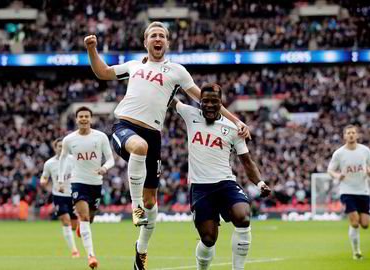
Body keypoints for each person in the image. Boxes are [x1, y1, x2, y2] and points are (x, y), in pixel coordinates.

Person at [84, 21, 250, 270]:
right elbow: (103, 72)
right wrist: (91, 49)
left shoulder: (177, 71)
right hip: (126, 127)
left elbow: (204, 99)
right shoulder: (133, 66)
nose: (157, 38)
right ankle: (134, 206)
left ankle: (141, 250)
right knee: (139, 149)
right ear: (146, 42)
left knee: (152, 202)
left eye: (162, 35)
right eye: (153, 35)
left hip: (154, 136)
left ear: (167, 43)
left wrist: (236, 121)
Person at [169, 83, 271, 270]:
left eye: (214, 101)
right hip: (200, 188)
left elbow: (247, 162)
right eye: (205, 101)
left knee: (243, 217)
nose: (209, 105)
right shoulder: (189, 114)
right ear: (199, 101)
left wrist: (260, 183)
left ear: (220, 103)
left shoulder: (233, 128)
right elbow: (168, 97)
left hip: (226, 184)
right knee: (208, 239)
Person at [58, 106, 115, 269]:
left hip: (96, 183)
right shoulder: (69, 140)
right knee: (83, 218)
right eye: (80, 116)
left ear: (91, 119)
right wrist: (61, 181)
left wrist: (105, 168)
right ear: (76, 119)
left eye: (86, 116)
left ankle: (82, 230)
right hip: (78, 182)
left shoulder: (101, 137)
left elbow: (111, 159)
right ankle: (91, 256)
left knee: (89, 219)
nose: (83, 119)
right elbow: (62, 159)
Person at [327, 125, 370, 260]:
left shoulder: (365, 150)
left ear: (357, 135)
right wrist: (337, 176)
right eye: (348, 133)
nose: (351, 135)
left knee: (364, 224)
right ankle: (356, 252)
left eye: (353, 133)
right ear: (344, 136)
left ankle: (356, 244)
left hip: (363, 191)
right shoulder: (339, 153)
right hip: (347, 191)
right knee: (354, 222)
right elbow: (330, 169)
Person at [40, 138, 79, 258]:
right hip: (58, 196)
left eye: (63, 146)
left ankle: (78, 227)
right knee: (65, 220)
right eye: (59, 146)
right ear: (55, 148)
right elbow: (44, 177)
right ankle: (74, 251)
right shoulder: (49, 163)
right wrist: (43, 181)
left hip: (72, 195)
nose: (61, 148)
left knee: (73, 225)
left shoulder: (73, 159)